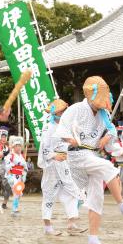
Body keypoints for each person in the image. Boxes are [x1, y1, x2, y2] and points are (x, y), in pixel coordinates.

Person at [55, 76, 123, 244]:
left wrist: (109, 138)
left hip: (91, 155)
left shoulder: (104, 116)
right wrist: (69, 139)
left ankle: (93, 238)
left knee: (97, 196)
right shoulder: (76, 109)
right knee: (108, 167)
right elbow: (62, 128)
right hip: (77, 156)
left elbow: (110, 145)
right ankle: (122, 205)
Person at [38, 99, 85, 236]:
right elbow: (44, 148)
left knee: (72, 191)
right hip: (52, 165)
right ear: (56, 113)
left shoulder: (66, 126)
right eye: (62, 112)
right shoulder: (48, 128)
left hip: (64, 164)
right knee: (49, 194)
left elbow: (72, 141)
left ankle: (72, 223)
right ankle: (47, 226)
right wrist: (53, 156)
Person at [4, 136, 28, 217]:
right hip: (13, 176)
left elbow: (25, 167)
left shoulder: (21, 156)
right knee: (16, 192)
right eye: (17, 146)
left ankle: (15, 208)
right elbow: (7, 166)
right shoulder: (11, 155)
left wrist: (24, 174)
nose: (18, 147)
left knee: (18, 193)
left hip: (19, 176)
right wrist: (10, 176)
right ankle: (14, 209)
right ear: (13, 147)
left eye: (19, 146)